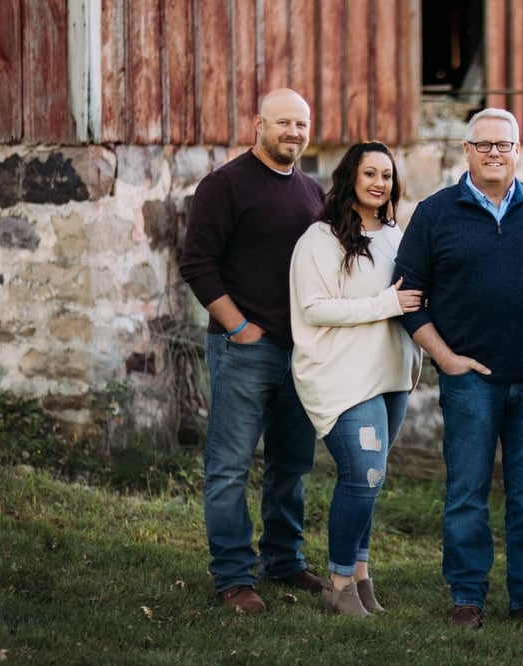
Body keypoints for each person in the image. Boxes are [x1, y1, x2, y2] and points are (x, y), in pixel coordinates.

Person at [393, 107, 523, 631]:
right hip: (469, 380)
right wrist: (446, 358)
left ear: (518, 152)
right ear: (466, 151)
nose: (495, 153)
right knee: (467, 493)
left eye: (504, 145)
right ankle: (468, 597)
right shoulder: (435, 213)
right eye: (484, 145)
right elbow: (408, 297)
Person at [180, 88, 326, 614]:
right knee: (229, 467)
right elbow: (197, 264)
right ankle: (234, 577)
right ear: (258, 124)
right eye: (284, 122)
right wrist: (239, 327)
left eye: (302, 124)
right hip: (244, 350)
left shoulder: (313, 191)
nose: (294, 132)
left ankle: (283, 562)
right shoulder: (224, 185)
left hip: (301, 354)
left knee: (291, 464)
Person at [289, 142, 423, 617]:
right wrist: (386, 303)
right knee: (362, 474)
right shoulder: (320, 239)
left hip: (390, 374)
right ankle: (339, 583)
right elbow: (313, 307)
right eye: (370, 173)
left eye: (387, 175)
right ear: (351, 177)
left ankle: (362, 577)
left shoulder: (392, 234)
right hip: (343, 376)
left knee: (374, 476)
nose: (379, 183)